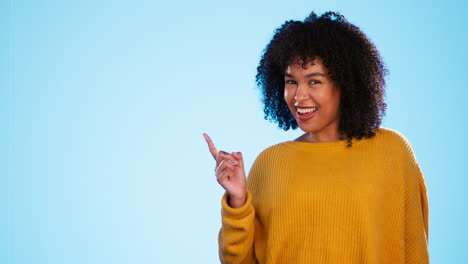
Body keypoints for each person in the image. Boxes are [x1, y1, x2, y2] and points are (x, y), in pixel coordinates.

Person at [203, 11, 429, 264]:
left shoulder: (393, 152)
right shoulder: (270, 163)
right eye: (291, 81)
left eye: (314, 82)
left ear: (345, 83)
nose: (298, 97)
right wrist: (238, 201)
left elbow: (414, 251)